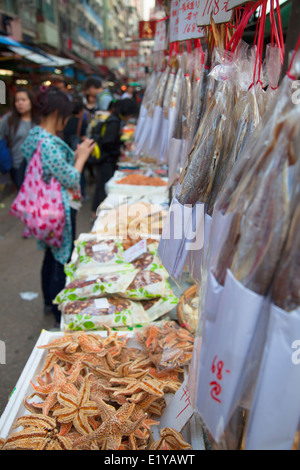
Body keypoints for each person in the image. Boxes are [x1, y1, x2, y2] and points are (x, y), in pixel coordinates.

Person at [21, 86, 95, 327]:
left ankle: (47, 302)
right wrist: (82, 157)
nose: (67, 119)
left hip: (43, 209)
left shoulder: (35, 137)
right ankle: (57, 314)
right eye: (65, 114)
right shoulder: (48, 143)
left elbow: (51, 171)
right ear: (56, 113)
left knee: (50, 257)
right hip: (57, 211)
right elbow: (71, 178)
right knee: (61, 260)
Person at [91, 98, 138, 219]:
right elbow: (108, 143)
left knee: (102, 186)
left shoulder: (114, 119)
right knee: (103, 187)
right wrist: (119, 149)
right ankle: (97, 214)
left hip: (107, 159)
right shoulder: (114, 122)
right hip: (106, 160)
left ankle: (98, 213)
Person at [0, 88, 39, 189]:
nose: (20, 103)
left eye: (23, 100)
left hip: (37, 166)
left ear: (31, 101)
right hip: (17, 165)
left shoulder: (39, 120)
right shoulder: (9, 119)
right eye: (17, 100)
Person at [63, 97, 88, 199]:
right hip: (77, 150)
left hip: (67, 149)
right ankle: (80, 194)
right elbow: (83, 136)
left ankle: (72, 194)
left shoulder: (66, 121)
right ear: (81, 111)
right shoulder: (82, 123)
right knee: (79, 173)